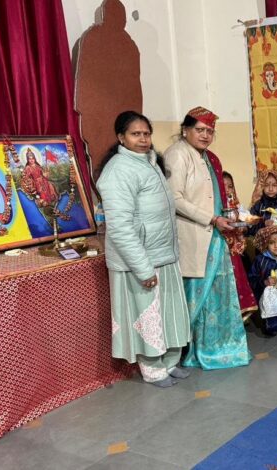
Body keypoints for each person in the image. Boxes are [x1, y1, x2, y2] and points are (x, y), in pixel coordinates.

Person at [97, 110, 190, 387]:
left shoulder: (150, 161)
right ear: (121, 138)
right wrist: (143, 268)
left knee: (168, 314)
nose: (143, 139)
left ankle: (169, 363)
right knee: (147, 317)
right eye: (135, 134)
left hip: (163, 254)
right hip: (140, 261)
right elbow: (120, 228)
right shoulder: (118, 170)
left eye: (146, 134)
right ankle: (152, 370)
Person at [164, 106, 251, 370]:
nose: (205, 135)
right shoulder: (177, 154)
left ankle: (218, 347)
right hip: (194, 234)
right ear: (185, 130)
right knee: (197, 295)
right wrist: (212, 219)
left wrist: (226, 218)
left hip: (214, 234)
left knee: (217, 292)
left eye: (210, 131)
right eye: (200, 130)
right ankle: (189, 351)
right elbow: (174, 198)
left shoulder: (207, 157)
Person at [221, 171, 259, 321]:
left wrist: (245, 225)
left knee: (240, 279)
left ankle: (242, 317)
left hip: (236, 252)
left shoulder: (237, 206)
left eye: (230, 186)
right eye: (223, 186)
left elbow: (246, 220)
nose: (227, 190)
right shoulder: (215, 208)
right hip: (222, 252)